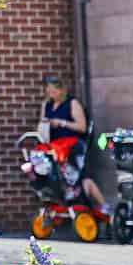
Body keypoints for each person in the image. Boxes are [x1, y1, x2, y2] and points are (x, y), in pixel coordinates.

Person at [41, 74, 106, 210]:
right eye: (49, 91)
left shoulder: (72, 103)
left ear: (62, 90)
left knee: (80, 178)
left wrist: (62, 123)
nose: (51, 94)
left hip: (72, 145)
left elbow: (82, 127)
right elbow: (42, 123)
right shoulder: (47, 105)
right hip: (55, 147)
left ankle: (104, 206)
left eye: (54, 91)